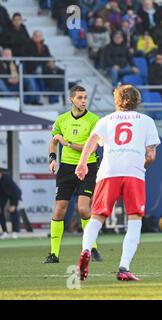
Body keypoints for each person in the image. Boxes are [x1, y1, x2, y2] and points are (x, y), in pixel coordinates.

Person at [76, 84, 160, 281]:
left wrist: (82, 164)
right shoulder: (147, 121)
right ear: (137, 100)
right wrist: (143, 166)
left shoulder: (106, 120)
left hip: (108, 171)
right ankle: (124, 267)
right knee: (134, 219)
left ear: (117, 100)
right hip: (134, 173)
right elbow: (151, 154)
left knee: (97, 216)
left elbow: (91, 142)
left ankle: (86, 250)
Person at [44, 85, 102, 263]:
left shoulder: (94, 120)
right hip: (67, 169)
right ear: (71, 99)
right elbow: (54, 142)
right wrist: (52, 159)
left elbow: (91, 149)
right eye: (80, 98)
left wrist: (67, 143)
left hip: (87, 166)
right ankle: (54, 254)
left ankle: (92, 248)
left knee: (83, 208)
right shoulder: (61, 120)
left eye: (85, 97)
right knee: (59, 209)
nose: (83, 101)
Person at [0, 170, 22, 240]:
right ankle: (5, 232)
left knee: (13, 211)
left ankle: (15, 232)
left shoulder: (7, 180)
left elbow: (15, 192)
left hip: (13, 194)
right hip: (3, 195)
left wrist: (14, 205)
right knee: (0, 212)